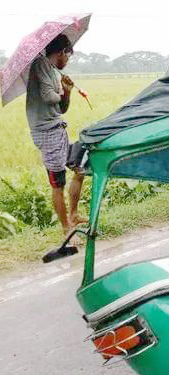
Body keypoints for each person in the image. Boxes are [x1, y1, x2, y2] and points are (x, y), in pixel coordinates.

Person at [26, 34, 85, 236]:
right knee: (57, 183)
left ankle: (74, 215)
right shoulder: (40, 64)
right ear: (62, 52)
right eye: (68, 56)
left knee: (80, 170)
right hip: (47, 133)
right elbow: (48, 96)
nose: (67, 61)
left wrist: (67, 91)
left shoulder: (51, 70)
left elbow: (61, 109)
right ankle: (66, 228)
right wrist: (59, 92)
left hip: (58, 129)